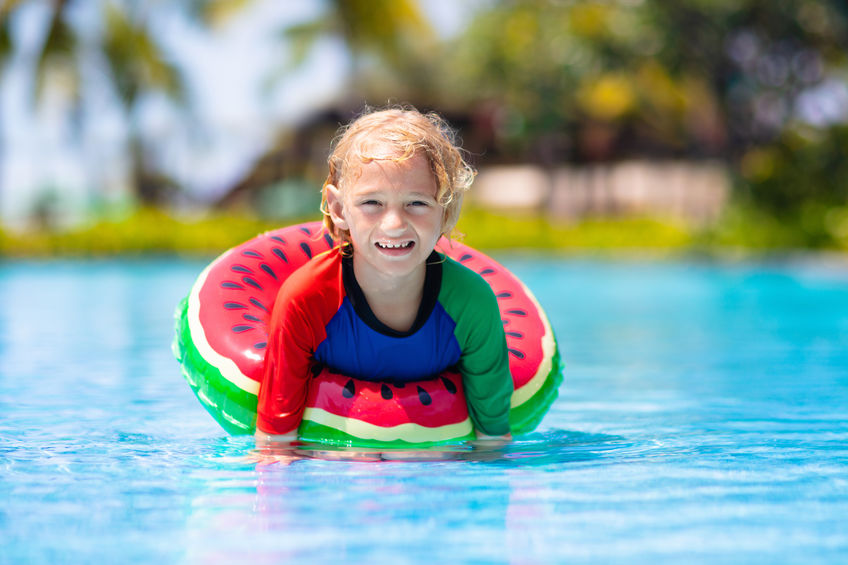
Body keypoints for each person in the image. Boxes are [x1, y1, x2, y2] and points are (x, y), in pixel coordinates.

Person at [255, 106, 513, 447]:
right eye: (372, 203)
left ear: (446, 209)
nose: (394, 224)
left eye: (417, 203)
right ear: (338, 209)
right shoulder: (306, 299)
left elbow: (493, 442)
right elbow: (274, 445)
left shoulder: (471, 304)